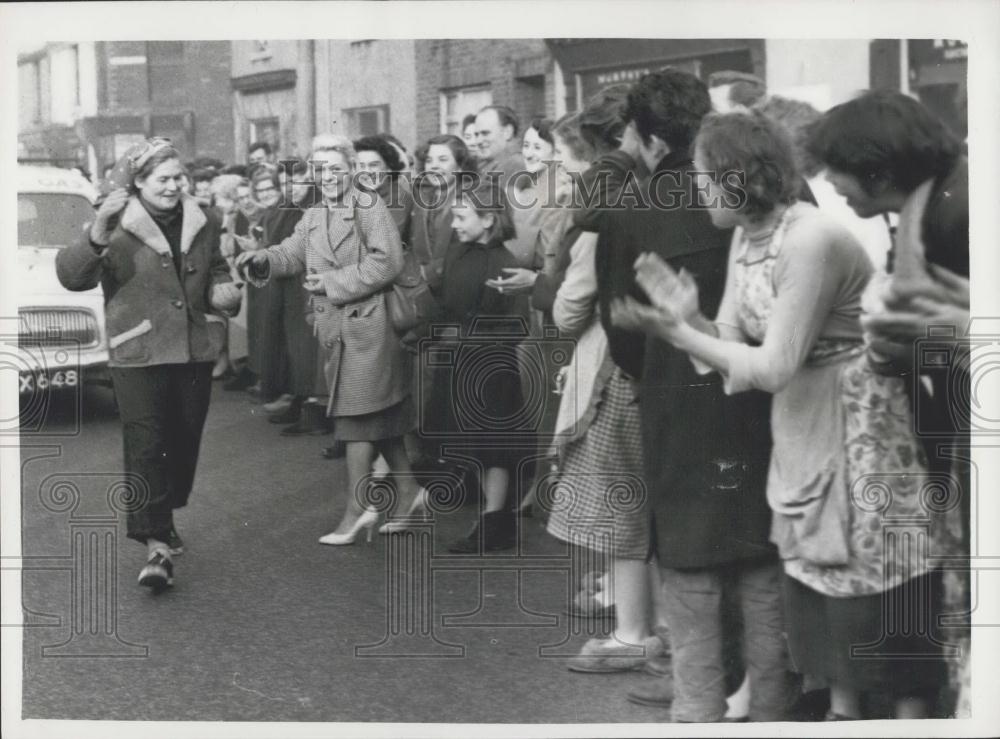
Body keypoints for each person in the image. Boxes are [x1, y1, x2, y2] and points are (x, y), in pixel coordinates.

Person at [618, 107, 959, 720]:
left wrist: (679, 334)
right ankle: (844, 710)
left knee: (875, 568)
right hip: (803, 418)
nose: (695, 190)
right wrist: (690, 318)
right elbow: (728, 346)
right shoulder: (747, 237)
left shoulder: (811, 238)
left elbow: (771, 366)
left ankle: (909, 716)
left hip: (861, 419)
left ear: (734, 177)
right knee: (821, 573)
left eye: (700, 176)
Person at [600, 73, 789, 723]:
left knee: (687, 559)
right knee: (762, 552)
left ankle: (699, 700)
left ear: (649, 140)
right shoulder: (773, 188)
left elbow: (617, 329)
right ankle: (770, 700)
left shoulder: (630, 207)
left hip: (677, 401)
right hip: (770, 395)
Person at [806, 89, 970, 716]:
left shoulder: (956, 215)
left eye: (837, 169)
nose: (833, 185)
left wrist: (926, 337)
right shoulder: (937, 203)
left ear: (878, 166)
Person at [55, 138, 242, 591]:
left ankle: (163, 513)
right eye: (163, 179)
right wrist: (98, 230)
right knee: (146, 443)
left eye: (179, 178)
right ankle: (156, 544)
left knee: (183, 439)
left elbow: (216, 266)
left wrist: (224, 288)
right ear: (139, 183)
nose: (174, 186)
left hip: (193, 348)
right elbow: (72, 276)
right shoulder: (115, 221)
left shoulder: (206, 217)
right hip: (137, 351)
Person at [236, 135, 429, 544]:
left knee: (356, 419)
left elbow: (389, 261)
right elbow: (292, 251)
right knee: (382, 418)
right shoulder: (317, 212)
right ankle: (410, 491)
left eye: (335, 169)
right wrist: (264, 259)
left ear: (351, 170)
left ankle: (359, 509)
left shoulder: (368, 206)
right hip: (340, 329)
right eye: (319, 169)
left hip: (371, 326)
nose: (326, 177)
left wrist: (332, 282)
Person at [535, 110, 663, 673]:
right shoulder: (654, 192)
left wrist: (554, 298)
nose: (562, 173)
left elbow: (570, 307)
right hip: (646, 358)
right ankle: (646, 621)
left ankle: (633, 630)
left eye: (564, 160)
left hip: (608, 363)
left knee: (619, 498)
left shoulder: (600, 213)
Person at [430, 180, 528, 553]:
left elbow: (517, 325)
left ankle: (495, 522)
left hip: (491, 367)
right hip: (460, 356)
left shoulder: (506, 264)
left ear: (488, 220)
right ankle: (491, 518)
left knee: (493, 447)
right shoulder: (459, 253)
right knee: (473, 443)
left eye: (460, 216)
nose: (453, 224)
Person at [474, 105, 522, 188]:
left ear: (507, 132)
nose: (478, 141)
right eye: (476, 135)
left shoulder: (514, 166)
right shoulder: (489, 164)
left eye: (485, 133)